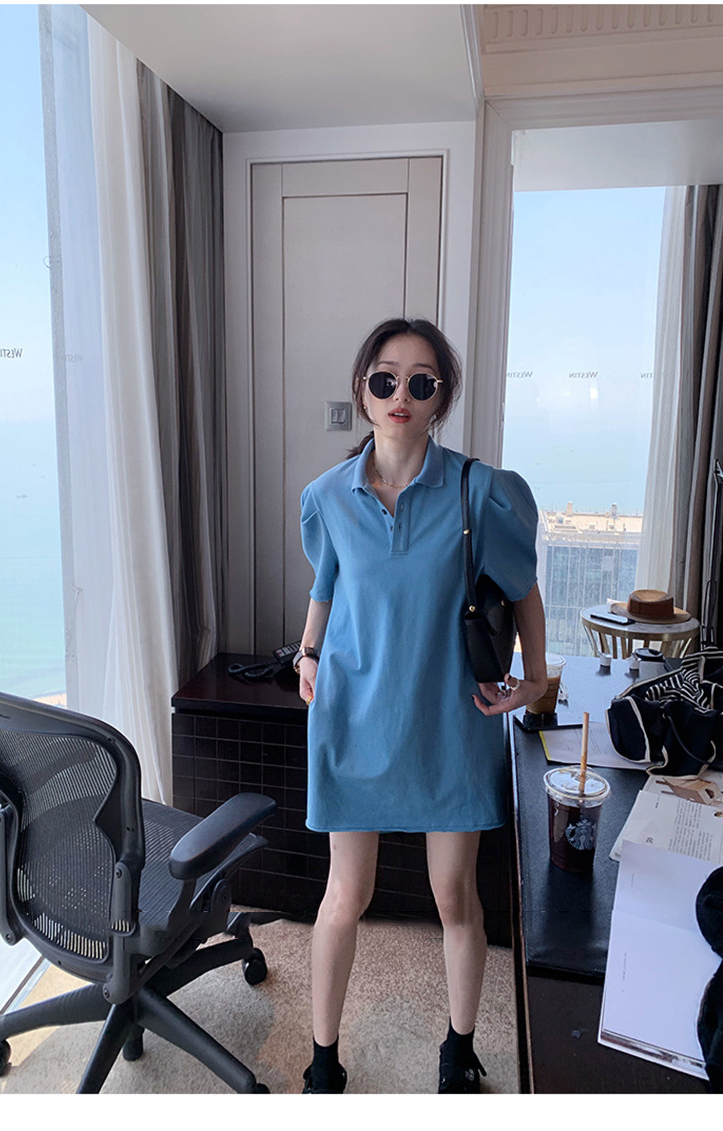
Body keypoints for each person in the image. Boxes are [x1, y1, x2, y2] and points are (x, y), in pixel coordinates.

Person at [293, 317, 547, 1094]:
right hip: (353, 718)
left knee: (454, 897)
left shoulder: (480, 490)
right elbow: (326, 586)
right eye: (385, 378)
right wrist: (307, 653)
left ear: (441, 398)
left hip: (449, 722)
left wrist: (536, 677)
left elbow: (523, 589)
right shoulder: (326, 497)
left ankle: (459, 1046)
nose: (400, 393)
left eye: (421, 381)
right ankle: (323, 1056)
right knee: (346, 894)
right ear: (363, 389)